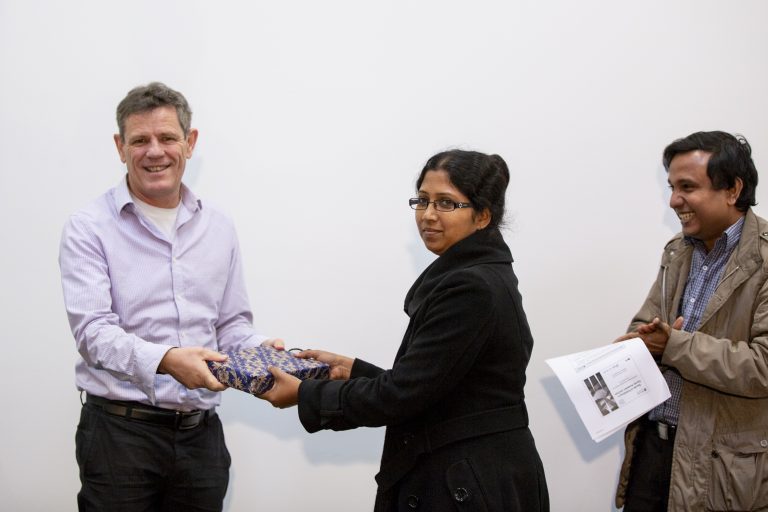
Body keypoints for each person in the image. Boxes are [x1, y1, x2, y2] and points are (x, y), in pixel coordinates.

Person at [259, 150, 549, 511]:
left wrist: (306, 394)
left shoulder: (471, 287)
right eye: (422, 200)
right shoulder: (478, 275)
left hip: (468, 482)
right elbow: (433, 386)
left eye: (446, 203)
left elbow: (403, 395)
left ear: (483, 215)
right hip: (475, 473)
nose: (428, 215)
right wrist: (353, 370)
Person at [59, 82, 279, 511]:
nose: (154, 151)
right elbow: (93, 333)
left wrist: (262, 352)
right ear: (120, 147)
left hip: (202, 439)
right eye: (140, 140)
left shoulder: (219, 226)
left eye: (167, 137)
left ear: (190, 142)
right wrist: (167, 360)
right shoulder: (88, 228)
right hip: (119, 439)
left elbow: (231, 325)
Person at [614, 131, 768, 511]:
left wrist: (673, 346)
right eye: (672, 187)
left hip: (721, 470)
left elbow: (763, 366)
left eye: (687, 187)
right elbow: (645, 328)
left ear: (732, 189)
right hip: (652, 450)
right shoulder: (677, 252)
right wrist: (638, 343)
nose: (673, 201)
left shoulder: (764, 259)